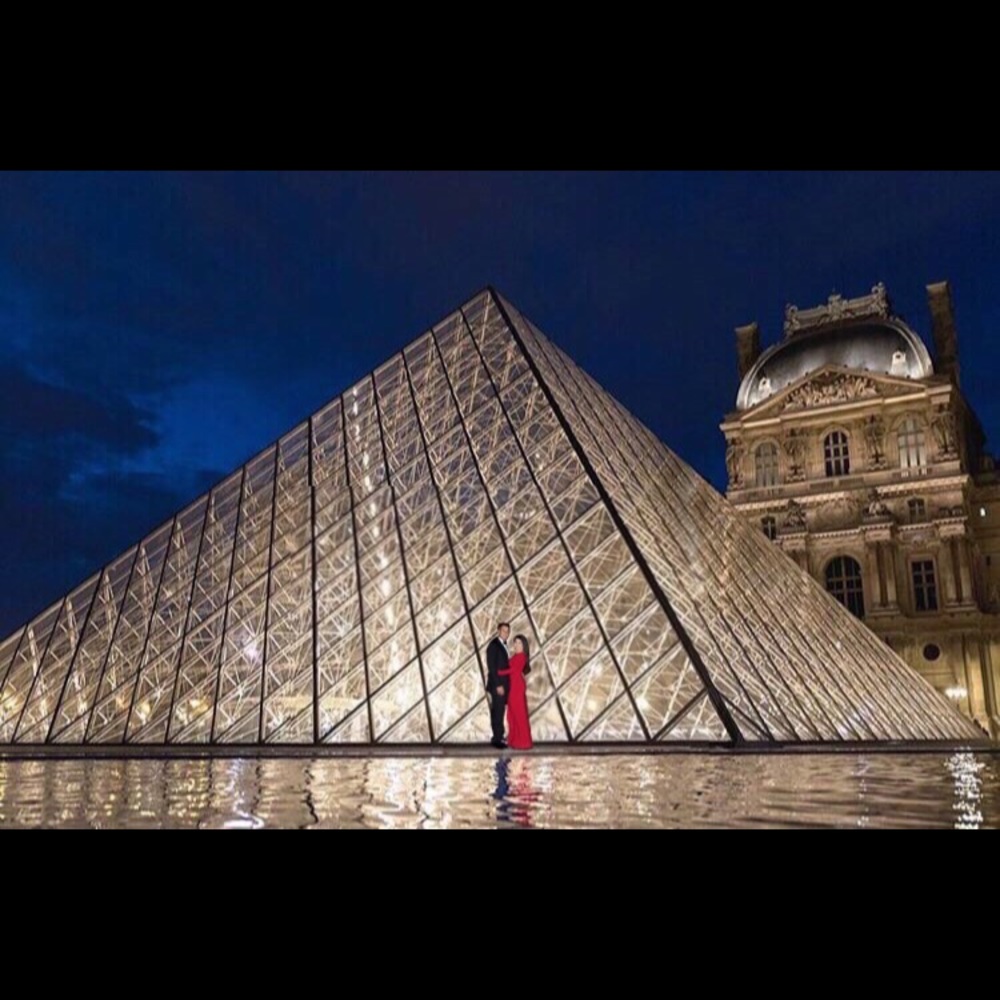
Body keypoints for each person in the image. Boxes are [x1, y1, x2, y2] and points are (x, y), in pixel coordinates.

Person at [498, 634, 533, 750]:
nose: (516, 645)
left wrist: (500, 672)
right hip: (512, 687)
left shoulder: (522, 657)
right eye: (515, 642)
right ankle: (515, 740)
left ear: (524, 645)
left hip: (516, 687)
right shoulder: (515, 656)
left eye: (519, 643)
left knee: (518, 714)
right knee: (512, 714)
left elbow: (513, 670)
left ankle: (523, 741)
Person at [485, 623, 511, 749]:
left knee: (499, 712)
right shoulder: (494, 646)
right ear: (498, 631)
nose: (506, 633)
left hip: (502, 685)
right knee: (497, 712)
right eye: (504, 631)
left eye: (507, 631)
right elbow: (492, 667)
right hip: (497, 686)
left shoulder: (503, 645)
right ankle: (497, 738)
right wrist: (498, 685)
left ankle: (499, 736)